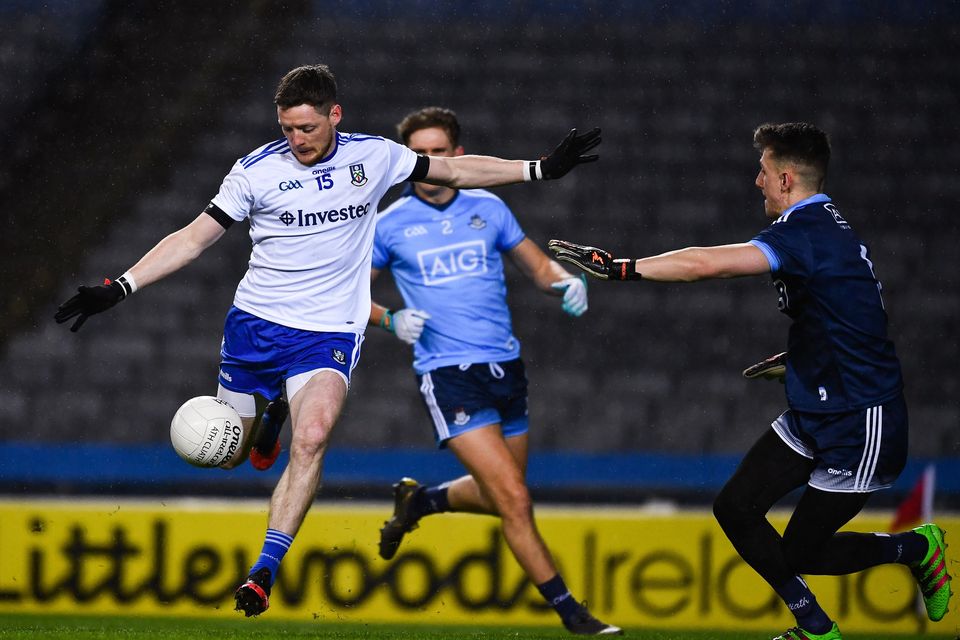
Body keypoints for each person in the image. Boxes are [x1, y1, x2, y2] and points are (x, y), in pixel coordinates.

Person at [53, 64, 601, 619]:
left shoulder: (375, 157)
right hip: (256, 328)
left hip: (328, 333)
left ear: (334, 115)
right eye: (288, 129)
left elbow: (454, 170)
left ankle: (264, 572)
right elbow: (194, 238)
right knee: (229, 455)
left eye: (308, 128)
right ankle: (269, 417)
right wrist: (120, 286)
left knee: (312, 437)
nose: (297, 140)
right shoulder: (255, 173)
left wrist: (539, 169)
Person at [548, 122, 951, 640]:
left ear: (786, 179)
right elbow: (849, 313)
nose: (756, 182)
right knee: (735, 508)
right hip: (819, 401)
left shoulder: (806, 233)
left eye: (762, 172)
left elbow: (704, 264)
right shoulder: (824, 227)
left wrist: (623, 268)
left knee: (803, 551)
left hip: (861, 419)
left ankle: (917, 549)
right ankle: (815, 626)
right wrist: (804, 360)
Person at [367, 107, 620, 636]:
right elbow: (342, 293)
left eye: (439, 151)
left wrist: (565, 283)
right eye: (420, 154)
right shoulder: (388, 224)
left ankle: (424, 501)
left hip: (505, 367)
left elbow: (536, 265)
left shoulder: (489, 208)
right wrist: (389, 318)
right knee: (514, 499)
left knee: (499, 492)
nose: (430, 162)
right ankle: (573, 614)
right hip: (446, 372)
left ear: (459, 156)